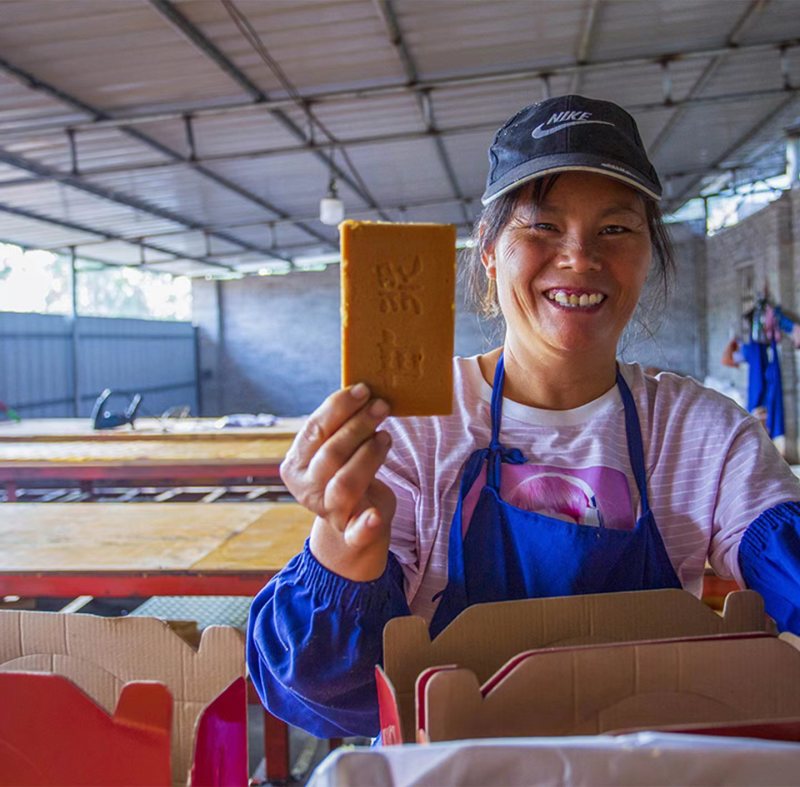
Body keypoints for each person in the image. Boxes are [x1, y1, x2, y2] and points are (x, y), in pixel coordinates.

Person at [247, 95, 800, 739]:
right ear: (488, 250)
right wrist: (346, 547)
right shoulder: (413, 425)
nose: (579, 258)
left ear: (649, 251)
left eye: (615, 229)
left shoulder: (704, 434)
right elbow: (322, 694)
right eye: (541, 227)